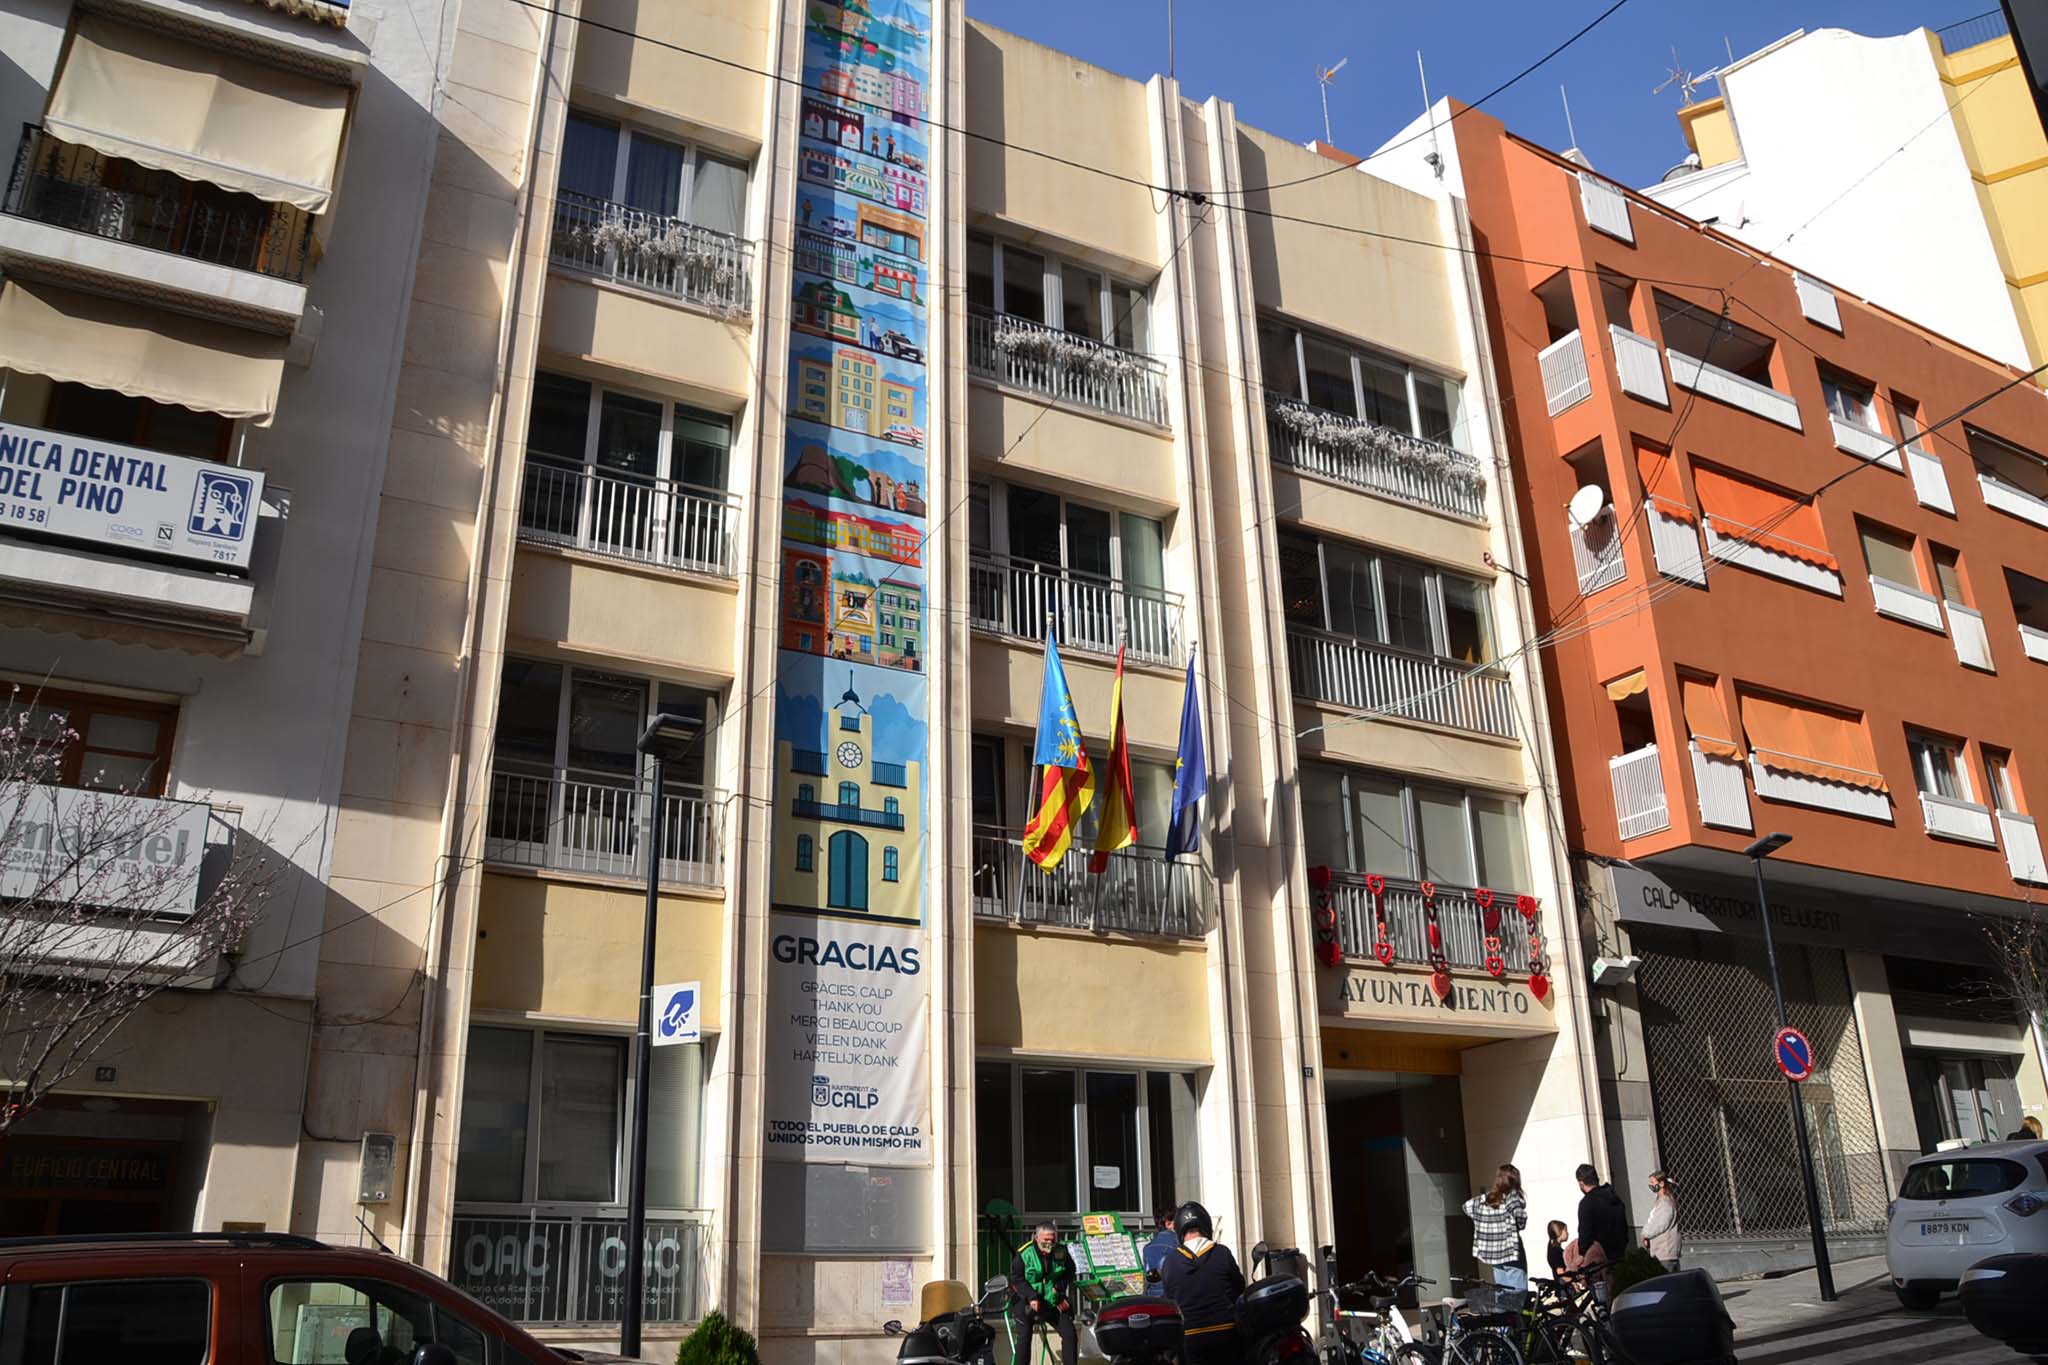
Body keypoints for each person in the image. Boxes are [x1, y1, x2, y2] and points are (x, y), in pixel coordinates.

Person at [1159, 1201, 1245, 1365]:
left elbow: (1169, 1299)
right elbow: (1240, 1289)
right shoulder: (1222, 1253)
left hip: (1190, 1337)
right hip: (1226, 1333)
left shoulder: (1170, 1261)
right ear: (1206, 1225)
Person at [1010, 1221, 1078, 1365]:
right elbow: (1017, 1279)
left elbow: (1070, 1272)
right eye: (1045, 1239)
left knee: (1069, 1333)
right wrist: (1031, 1296)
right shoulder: (1024, 1253)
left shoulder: (1061, 1251)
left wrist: (1060, 1287)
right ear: (1036, 1237)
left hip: (1053, 1300)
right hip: (1027, 1301)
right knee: (1024, 1337)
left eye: (1052, 1240)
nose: (1049, 1243)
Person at [1461, 1167, 1529, 1292]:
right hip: (1510, 1251)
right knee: (1518, 1292)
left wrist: (1485, 1223)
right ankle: (1515, 1312)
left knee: (1501, 1289)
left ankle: (1503, 1312)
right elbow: (1521, 1220)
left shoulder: (1488, 1198)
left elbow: (1467, 1207)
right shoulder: (1512, 1197)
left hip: (1492, 1253)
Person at [1641, 1170, 1681, 1271]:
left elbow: (1660, 1224)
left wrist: (1645, 1234)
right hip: (1664, 1251)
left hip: (1664, 1251)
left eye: (1653, 1183)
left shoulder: (1665, 1202)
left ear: (1661, 1184)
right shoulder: (1663, 1201)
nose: (1651, 1185)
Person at [1141, 1206, 1179, 1298]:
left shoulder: (1147, 1247)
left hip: (1152, 1296)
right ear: (1169, 1224)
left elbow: (1147, 1276)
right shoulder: (1179, 1243)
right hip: (1172, 1296)